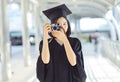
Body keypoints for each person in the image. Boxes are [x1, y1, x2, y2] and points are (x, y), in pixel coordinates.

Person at [36, 4, 87, 82]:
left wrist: (64, 39)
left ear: (68, 25)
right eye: (58, 24)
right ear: (52, 26)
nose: (62, 27)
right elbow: (45, 61)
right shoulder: (45, 43)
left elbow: (74, 62)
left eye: (64, 23)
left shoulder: (75, 42)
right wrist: (45, 36)